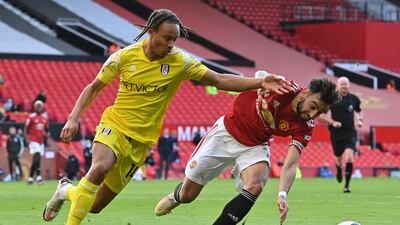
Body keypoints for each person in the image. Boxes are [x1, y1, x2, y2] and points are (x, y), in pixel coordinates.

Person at [42, 8, 293, 225]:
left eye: (174, 39)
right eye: (167, 38)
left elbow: (219, 79)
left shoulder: (179, 62)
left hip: (141, 140)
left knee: (95, 206)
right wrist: (74, 118)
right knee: (99, 167)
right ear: (151, 32)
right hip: (115, 125)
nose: (171, 44)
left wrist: (260, 81)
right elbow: (93, 87)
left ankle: (66, 190)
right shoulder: (123, 56)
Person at [155, 78, 340, 225]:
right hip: (226, 132)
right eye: (314, 106)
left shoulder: (306, 126)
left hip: (255, 144)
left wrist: (282, 195)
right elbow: (261, 79)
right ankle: (176, 196)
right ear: (306, 92)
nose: (313, 114)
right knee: (188, 196)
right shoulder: (284, 88)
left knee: (256, 184)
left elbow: (291, 164)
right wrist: (261, 85)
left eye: (320, 112)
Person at [319, 76, 362, 193]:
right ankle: (338, 169)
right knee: (338, 159)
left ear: (349, 85)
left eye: (346, 84)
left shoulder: (354, 99)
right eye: (342, 84)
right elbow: (321, 115)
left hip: (350, 133)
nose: (344, 86)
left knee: (349, 158)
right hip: (336, 134)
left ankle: (347, 186)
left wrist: (359, 120)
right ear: (337, 85)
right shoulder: (331, 99)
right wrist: (332, 122)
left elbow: (358, 110)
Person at [25, 100, 49, 185]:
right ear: (35, 107)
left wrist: (46, 139)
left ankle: (30, 178)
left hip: (41, 141)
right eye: (37, 106)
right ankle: (38, 177)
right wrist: (26, 138)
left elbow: (46, 129)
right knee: (37, 155)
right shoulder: (31, 117)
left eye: (40, 106)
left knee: (36, 159)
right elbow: (26, 128)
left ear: (42, 107)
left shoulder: (45, 118)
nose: (39, 108)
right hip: (33, 140)